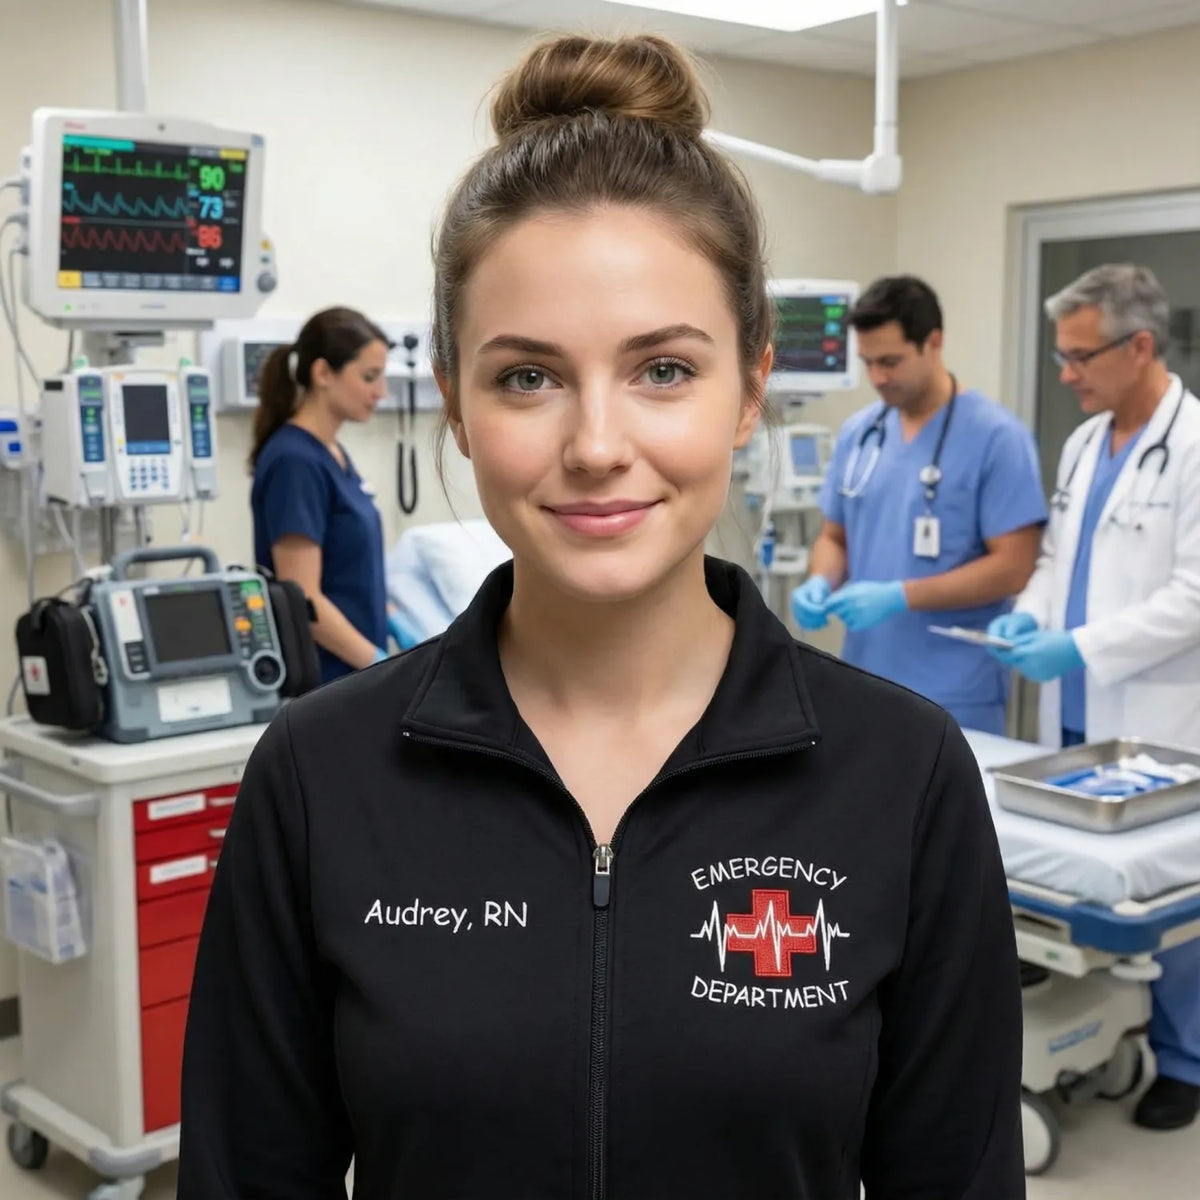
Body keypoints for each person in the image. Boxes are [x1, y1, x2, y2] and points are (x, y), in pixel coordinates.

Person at [179, 35, 1023, 1198]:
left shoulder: (902, 777)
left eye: (664, 370)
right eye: (527, 376)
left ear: (748, 395)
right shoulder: (322, 779)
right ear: (460, 410)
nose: (595, 446)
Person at [989, 263, 1200, 1131]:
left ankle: (1186, 1059)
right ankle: (1113, 1026)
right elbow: (1054, 566)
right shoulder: (1084, 444)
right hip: (1075, 707)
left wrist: (1077, 644)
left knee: (1169, 894)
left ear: (1139, 346)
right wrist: (1025, 619)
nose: (1065, 373)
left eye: (1079, 357)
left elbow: (1194, 595)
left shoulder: (1195, 445)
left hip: (1155, 707)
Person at [791, 276, 1046, 736]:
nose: (878, 378)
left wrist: (900, 596)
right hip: (865, 679)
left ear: (934, 342)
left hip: (955, 691)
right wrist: (819, 579)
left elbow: (1015, 566)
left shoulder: (996, 438)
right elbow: (834, 536)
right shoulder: (860, 433)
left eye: (890, 361)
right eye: (868, 363)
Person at [249, 306, 408, 684]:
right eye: (369, 377)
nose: (380, 391)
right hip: (325, 680)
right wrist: (377, 662)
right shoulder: (295, 462)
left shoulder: (331, 453)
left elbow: (351, 572)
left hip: (352, 674)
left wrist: (393, 623)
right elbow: (305, 600)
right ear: (323, 373)